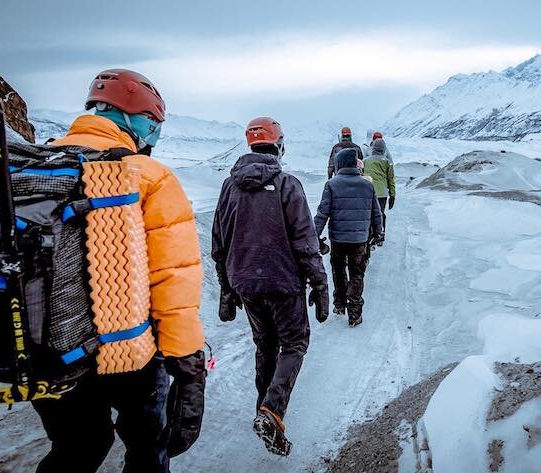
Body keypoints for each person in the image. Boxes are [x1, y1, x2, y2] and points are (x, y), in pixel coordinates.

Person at [32, 69, 206, 473]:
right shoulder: (148, 175)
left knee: (77, 446)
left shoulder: (36, 168)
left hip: (47, 344)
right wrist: (186, 360)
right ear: (136, 118)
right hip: (128, 348)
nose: (155, 133)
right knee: (148, 448)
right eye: (154, 122)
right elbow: (173, 278)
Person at [212, 117, 328, 456]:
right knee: (293, 344)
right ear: (278, 146)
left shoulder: (228, 187)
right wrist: (320, 286)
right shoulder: (288, 184)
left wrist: (226, 289)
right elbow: (305, 242)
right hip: (283, 282)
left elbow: (219, 243)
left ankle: (262, 410)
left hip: (245, 283)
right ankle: (272, 410)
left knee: (265, 345)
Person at [315, 148, 382, 327]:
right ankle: (355, 314)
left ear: (339, 164)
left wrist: (314, 234)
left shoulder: (331, 184)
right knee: (357, 274)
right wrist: (378, 232)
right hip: (360, 240)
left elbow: (323, 213)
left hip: (338, 239)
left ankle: (339, 304)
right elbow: (376, 212)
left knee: (338, 271)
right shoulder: (367, 184)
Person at [363, 138, 396, 244]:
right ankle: (380, 237)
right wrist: (392, 195)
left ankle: (368, 236)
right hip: (382, 193)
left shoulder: (365, 161)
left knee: (369, 214)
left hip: (367, 192)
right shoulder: (387, 162)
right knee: (380, 214)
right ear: (383, 149)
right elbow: (391, 180)